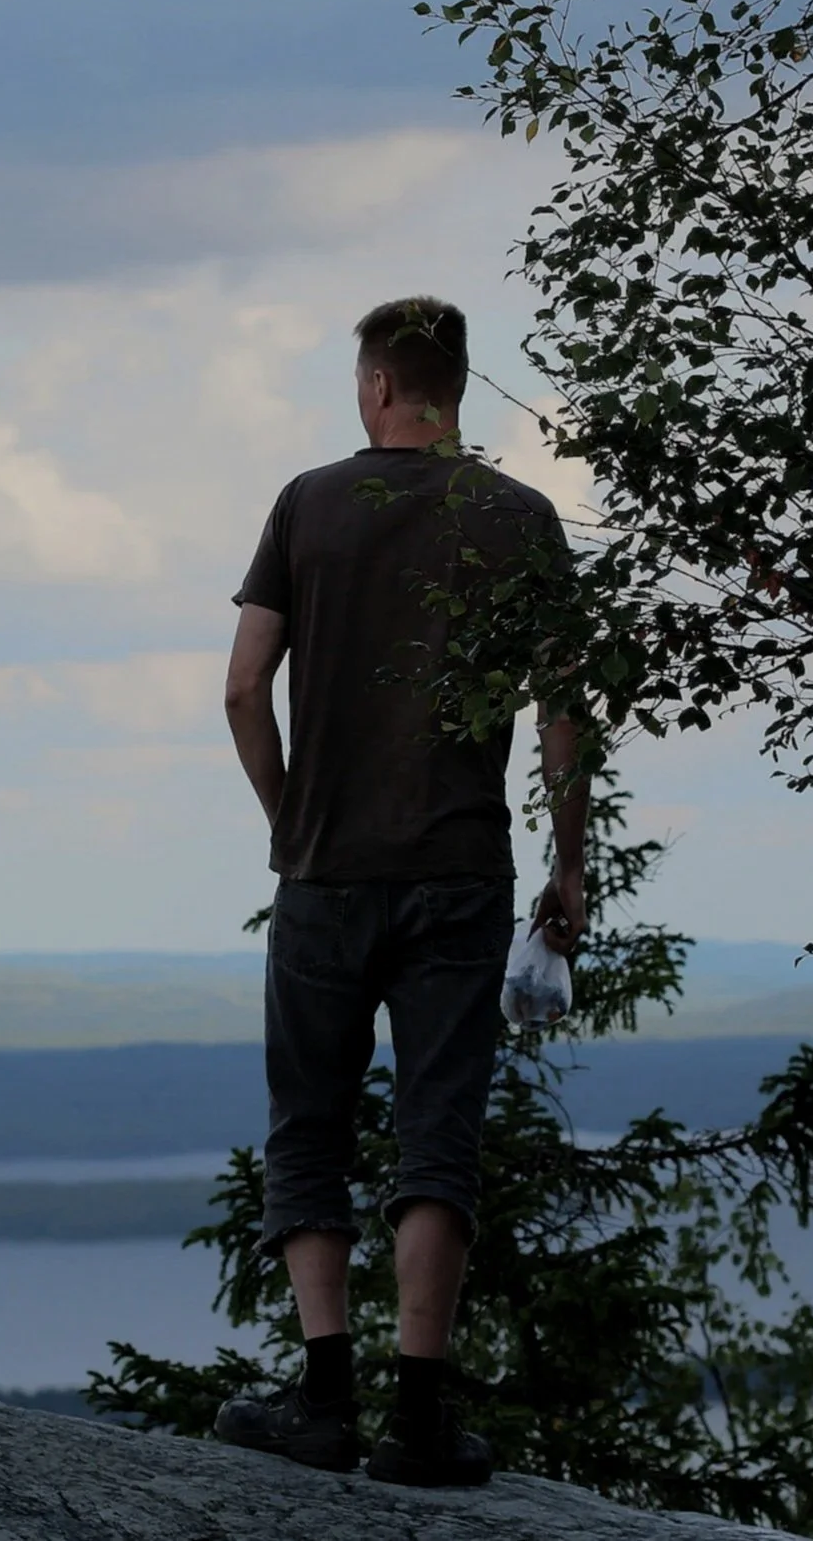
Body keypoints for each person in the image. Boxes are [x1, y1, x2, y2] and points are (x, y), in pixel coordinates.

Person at [214, 296, 586, 1487]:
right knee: (437, 1135)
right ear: (454, 389)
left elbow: (239, 689)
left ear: (377, 386)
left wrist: (293, 823)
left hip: (323, 873)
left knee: (308, 1128)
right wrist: (570, 867)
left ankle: (324, 1397)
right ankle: (417, 1416)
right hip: (459, 868)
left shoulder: (307, 504)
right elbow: (564, 705)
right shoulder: (517, 515)